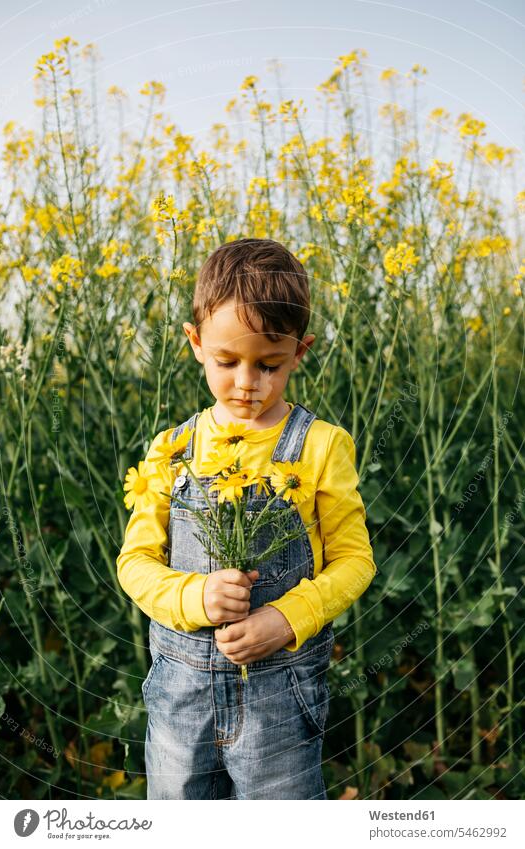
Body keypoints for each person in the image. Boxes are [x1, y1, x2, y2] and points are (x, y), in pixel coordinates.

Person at [116, 237, 377, 799]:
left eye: (270, 365)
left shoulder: (321, 447)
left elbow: (356, 561)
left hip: (279, 700)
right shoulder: (172, 449)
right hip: (181, 702)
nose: (246, 383)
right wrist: (194, 598)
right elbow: (134, 563)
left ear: (301, 351)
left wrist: (287, 618)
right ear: (194, 343)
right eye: (226, 361)